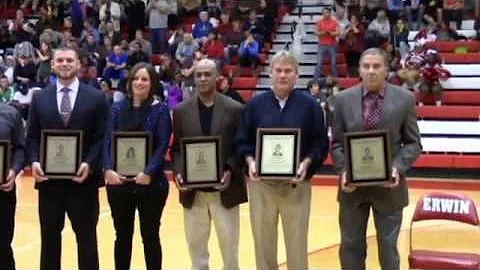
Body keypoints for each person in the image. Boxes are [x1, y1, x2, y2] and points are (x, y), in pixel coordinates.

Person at [236, 50, 329, 270]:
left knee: (297, 245)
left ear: (297, 75)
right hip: (261, 186)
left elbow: (320, 144)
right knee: (263, 244)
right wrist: (249, 161)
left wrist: (307, 162)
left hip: (296, 185)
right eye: (278, 70)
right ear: (270, 73)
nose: (283, 75)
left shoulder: (310, 106)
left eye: (288, 71)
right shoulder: (255, 106)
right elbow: (241, 141)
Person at [331, 48, 422, 270]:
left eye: (376, 66)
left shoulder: (405, 99)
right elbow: (336, 144)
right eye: (366, 66)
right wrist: (344, 171)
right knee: (351, 246)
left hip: (390, 188)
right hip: (352, 189)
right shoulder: (343, 100)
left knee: (388, 249)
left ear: (386, 69)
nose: (371, 71)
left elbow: (413, 143)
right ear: (360, 70)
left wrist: (397, 168)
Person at [26, 47, 108, 270]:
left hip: (83, 182)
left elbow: (102, 138)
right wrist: (34, 160)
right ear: (52, 65)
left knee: (87, 240)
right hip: (49, 183)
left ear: (78, 64)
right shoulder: (40, 97)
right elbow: (32, 137)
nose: (64, 63)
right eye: (59, 60)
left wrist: (89, 163)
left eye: (69, 60)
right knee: (49, 241)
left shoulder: (97, 97)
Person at [172, 59, 247, 270]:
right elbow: (177, 149)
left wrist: (231, 170)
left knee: (230, 251)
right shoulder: (181, 111)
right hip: (193, 192)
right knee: (196, 251)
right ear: (193, 78)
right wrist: (178, 173)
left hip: (225, 190)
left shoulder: (235, 109)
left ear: (217, 77)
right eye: (198, 75)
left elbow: (241, 146)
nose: (203, 78)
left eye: (207, 74)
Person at [103, 62, 172, 270]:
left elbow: (162, 145)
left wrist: (149, 172)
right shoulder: (115, 108)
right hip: (119, 184)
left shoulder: (160, 110)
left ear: (152, 84)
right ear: (130, 81)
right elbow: (107, 141)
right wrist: (107, 169)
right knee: (122, 236)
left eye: (144, 79)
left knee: (150, 236)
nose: (139, 82)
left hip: (151, 185)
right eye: (136, 78)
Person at [0, 100, 25, 270]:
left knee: (2, 245)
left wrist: (14, 170)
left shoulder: (10, 114)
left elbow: (20, 148)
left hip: (3, 190)